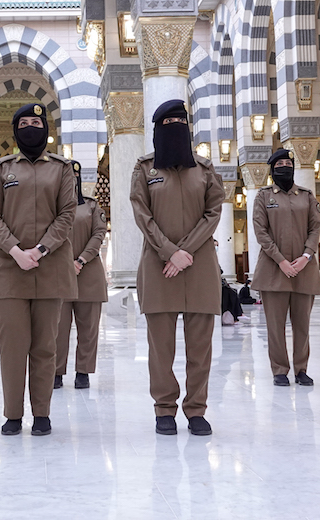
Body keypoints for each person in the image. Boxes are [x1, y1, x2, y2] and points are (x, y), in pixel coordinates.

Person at [0, 102, 77, 436]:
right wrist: (15, 250)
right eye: (23, 123)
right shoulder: (2, 169)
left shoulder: (61, 169)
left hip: (49, 268)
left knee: (45, 346)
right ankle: (12, 414)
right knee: (13, 346)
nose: (29, 127)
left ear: (46, 127)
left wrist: (39, 249)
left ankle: (42, 414)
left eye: (36, 122)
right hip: (7, 271)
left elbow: (67, 214)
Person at [131, 100, 224, 436]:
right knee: (161, 348)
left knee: (200, 348)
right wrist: (170, 252)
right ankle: (164, 409)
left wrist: (185, 252)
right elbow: (143, 216)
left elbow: (213, 213)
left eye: (179, 121)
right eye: (167, 121)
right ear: (157, 129)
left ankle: (196, 409)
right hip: (158, 267)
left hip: (198, 267)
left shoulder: (204, 169)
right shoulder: (145, 170)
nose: (174, 126)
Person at [251, 148, 320, 387]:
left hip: (304, 269)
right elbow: (261, 232)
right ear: (273, 169)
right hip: (274, 270)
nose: (285, 166)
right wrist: (281, 260)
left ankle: (301, 369)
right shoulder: (263, 197)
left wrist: (306, 256)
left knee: (302, 324)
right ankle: (279, 370)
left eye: (288, 163)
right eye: (279, 163)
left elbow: (315, 228)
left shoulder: (306, 196)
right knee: (275, 325)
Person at [54, 160, 108, 390]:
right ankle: (56, 371)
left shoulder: (91, 206)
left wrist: (80, 260)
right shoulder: (53, 207)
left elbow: (99, 233)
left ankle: (83, 371)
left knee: (88, 329)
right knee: (57, 329)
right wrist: (66, 263)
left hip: (89, 274)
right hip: (58, 275)